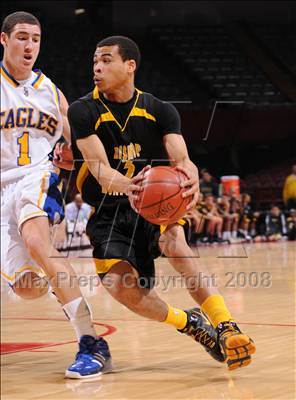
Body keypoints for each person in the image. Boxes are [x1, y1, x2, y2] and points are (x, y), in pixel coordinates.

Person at [57, 36, 255, 375]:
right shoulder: (83, 110)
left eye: (105, 60)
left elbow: (181, 158)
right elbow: (101, 169)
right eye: (94, 62)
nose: (97, 68)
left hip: (155, 206)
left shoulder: (160, 110)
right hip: (110, 211)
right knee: (121, 288)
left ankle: (226, 326)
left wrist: (190, 176)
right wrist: (132, 186)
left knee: (176, 244)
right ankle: (189, 323)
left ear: (130, 65)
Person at [0, 11, 103, 379]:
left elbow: (74, 143)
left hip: (36, 178)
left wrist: (71, 165)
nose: (30, 46)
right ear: (4, 40)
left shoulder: (51, 90)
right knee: (27, 288)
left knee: (39, 242)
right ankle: (59, 281)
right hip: (1, 191)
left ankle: (90, 343)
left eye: (36, 39)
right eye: (22, 37)